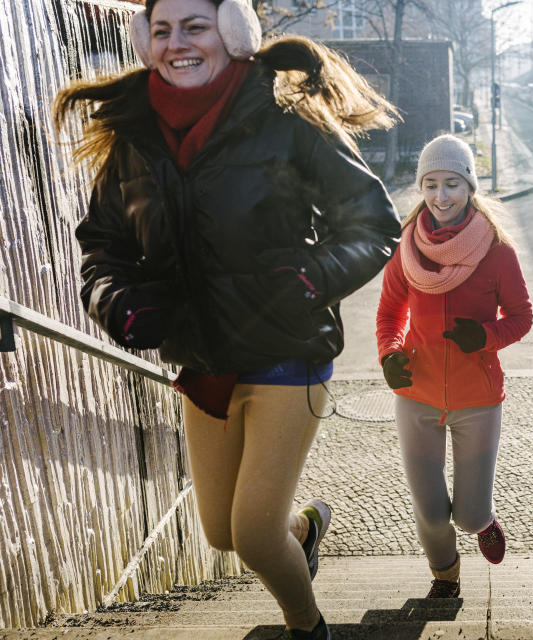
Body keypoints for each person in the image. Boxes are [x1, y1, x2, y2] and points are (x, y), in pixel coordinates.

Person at [54, 1, 401, 637]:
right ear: (144, 41)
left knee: (252, 532)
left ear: (235, 33)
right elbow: (101, 249)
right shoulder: (134, 134)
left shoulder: (287, 117)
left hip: (287, 347)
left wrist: (310, 277)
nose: (176, 43)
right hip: (205, 359)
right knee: (220, 532)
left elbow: (373, 223)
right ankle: (307, 530)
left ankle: (307, 625)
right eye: (162, 30)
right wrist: (119, 304)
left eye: (195, 25)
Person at [375, 135, 533, 598]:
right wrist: (390, 355)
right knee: (429, 512)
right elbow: (389, 315)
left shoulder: (497, 253)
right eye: (430, 185)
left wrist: (485, 337)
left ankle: (482, 522)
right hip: (416, 397)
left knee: (466, 515)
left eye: (451, 184)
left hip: (477, 401)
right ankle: (445, 576)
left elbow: (521, 318)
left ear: (469, 187)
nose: (441, 196)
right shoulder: (406, 250)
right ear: (420, 188)